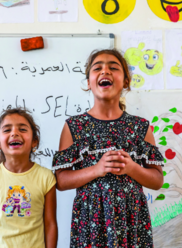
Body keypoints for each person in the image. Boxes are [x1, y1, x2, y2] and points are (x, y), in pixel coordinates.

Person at [52, 49, 164, 248]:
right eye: (98, 68)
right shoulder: (74, 127)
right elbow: (61, 181)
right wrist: (97, 169)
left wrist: (132, 168)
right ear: (88, 82)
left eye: (113, 67)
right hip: (90, 223)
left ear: (126, 81)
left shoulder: (140, 127)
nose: (106, 71)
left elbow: (157, 181)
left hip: (131, 221)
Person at [0, 108, 57, 248]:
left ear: (34, 141)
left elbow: (50, 224)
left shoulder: (46, 177)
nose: (14, 133)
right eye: (7, 130)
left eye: (23, 129)